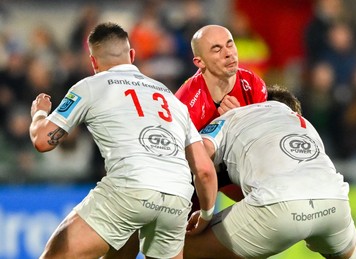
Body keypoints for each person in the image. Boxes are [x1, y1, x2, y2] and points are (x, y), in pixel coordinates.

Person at [29, 22, 217, 259]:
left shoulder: (91, 85)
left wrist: (39, 112)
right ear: (132, 56)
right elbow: (203, 169)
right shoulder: (170, 97)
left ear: (93, 62)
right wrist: (207, 214)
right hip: (177, 198)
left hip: (129, 189)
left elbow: (43, 141)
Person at [184, 85, 356, 259]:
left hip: (279, 203)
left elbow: (199, 154)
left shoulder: (234, 116)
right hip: (334, 199)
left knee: (174, 248)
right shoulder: (305, 125)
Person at [175, 24, 268, 205]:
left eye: (230, 44)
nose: (228, 53)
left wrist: (239, 119)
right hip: (195, 182)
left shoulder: (253, 84)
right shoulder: (185, 103)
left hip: (244, 172)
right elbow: (181, 164)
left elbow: (262, 144)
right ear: (199, 62)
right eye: (216, 49)